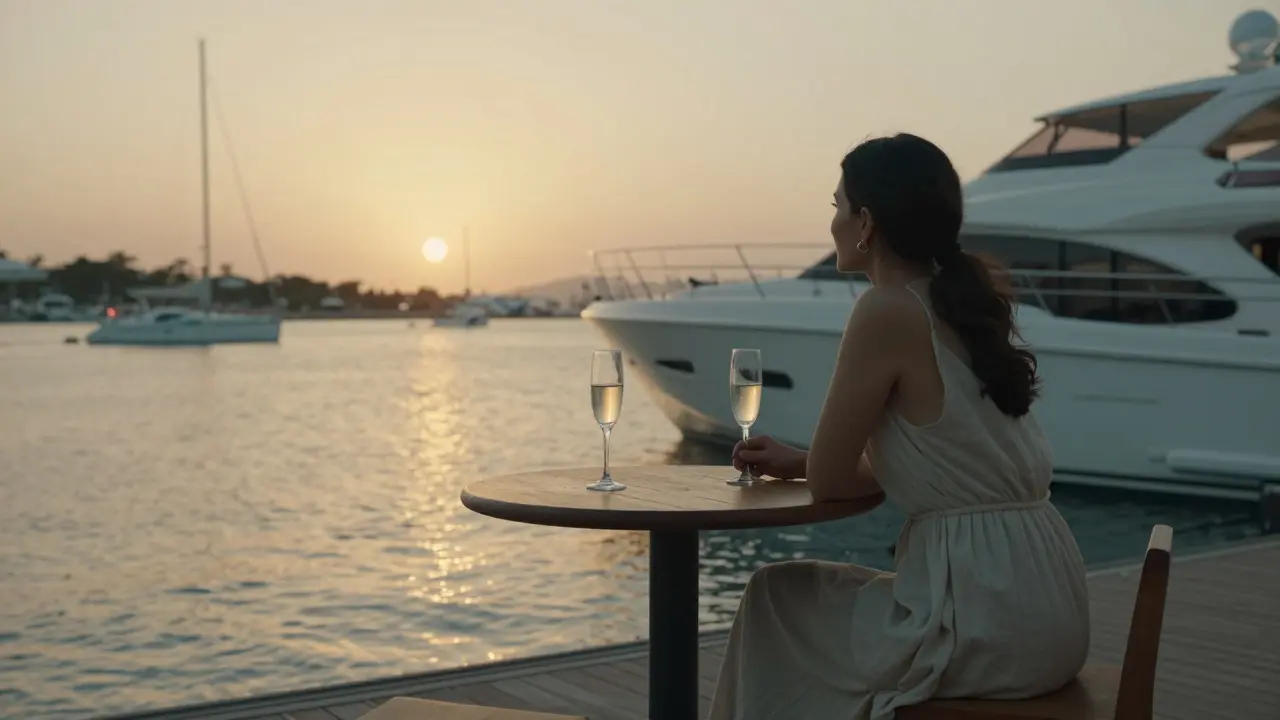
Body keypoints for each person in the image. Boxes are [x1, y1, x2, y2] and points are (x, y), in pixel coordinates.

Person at [708, 134, 1090, 720]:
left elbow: (830, 483)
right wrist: (799, 461)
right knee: (808, 602)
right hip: (1047, 608)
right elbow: (944, 455)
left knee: (773, 598)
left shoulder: (886, 309)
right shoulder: (962, 303)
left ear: (865, 222)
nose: (833, 222)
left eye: (837, 206)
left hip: (982, 621)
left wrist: (813, 466)